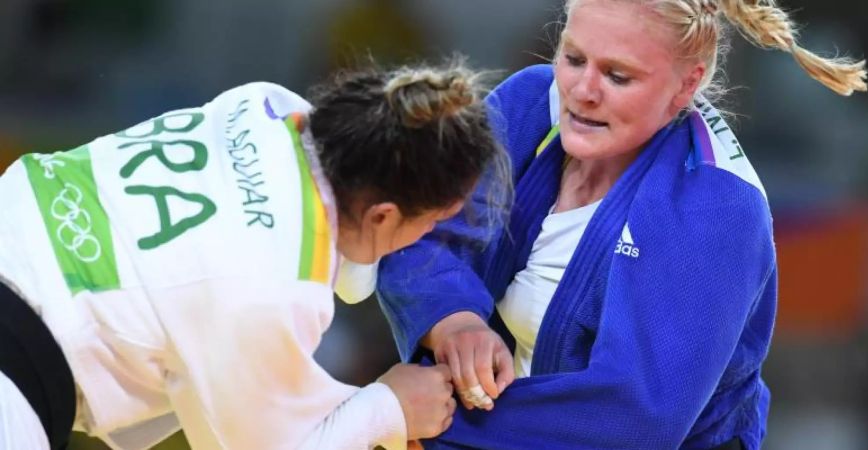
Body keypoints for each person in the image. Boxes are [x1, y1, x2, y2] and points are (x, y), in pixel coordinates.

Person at [376, 0, 868, 449]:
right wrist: (452, 321)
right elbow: (407, 226)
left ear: (686, 85)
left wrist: (423, 419)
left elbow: (630, 420)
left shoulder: (715, 207)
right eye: (573, 59)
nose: (583, 91)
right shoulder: (530, 104)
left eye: (618, 76)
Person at [0, 60, 506, 450]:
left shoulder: (267, 106)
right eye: (432, 221)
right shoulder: (273, 288)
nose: (428, 235)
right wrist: (391, 406)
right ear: (382, 216)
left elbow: (335, 251)